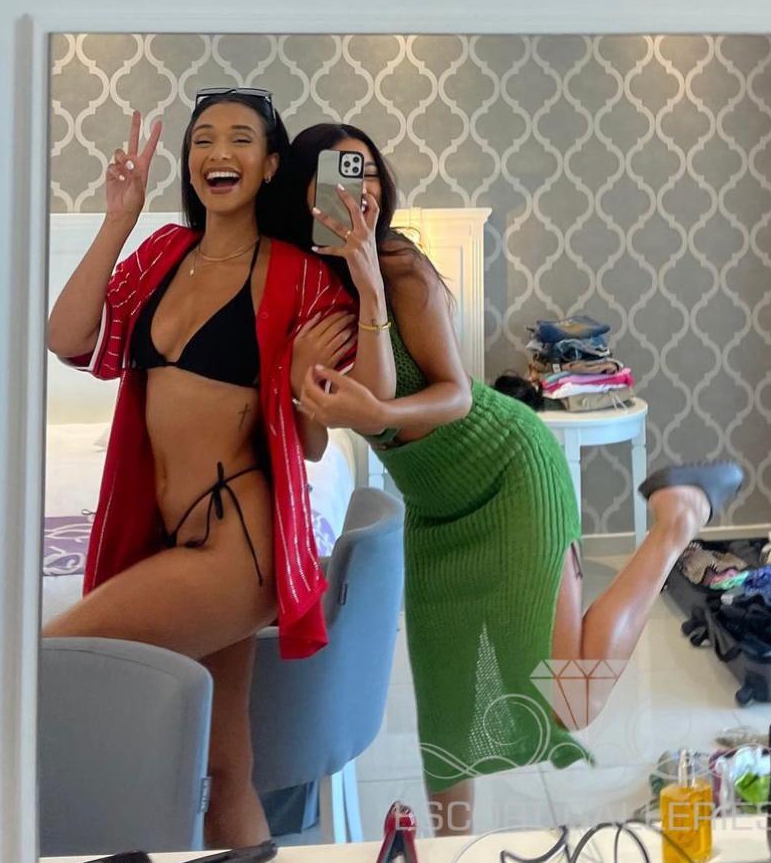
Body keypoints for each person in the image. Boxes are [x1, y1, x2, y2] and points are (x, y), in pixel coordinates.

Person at [286, 122, 744, 838]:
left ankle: (675, 521)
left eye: (368, 172)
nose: (360, 189)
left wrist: (371, 289)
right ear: (304, 192)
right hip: (436, 510)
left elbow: (448, 394)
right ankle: (451, 848)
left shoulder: (402, 271)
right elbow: (314, 443)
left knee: (569, 699)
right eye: (341, 174)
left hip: (507, 469)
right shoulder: (295, 289)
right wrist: (297, 378)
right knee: (447, 710)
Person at [43, 93, 394, 848]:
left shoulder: (299, 274)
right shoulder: (162, 252)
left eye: (240, 138)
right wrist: (118, 217)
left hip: (238, 547)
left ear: (269, 165)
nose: (218, 152)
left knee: (46, 667)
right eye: (203, 139)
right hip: (178, 540)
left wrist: (366, 285)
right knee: (226, 773)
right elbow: (66, 336)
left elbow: (368, 401)